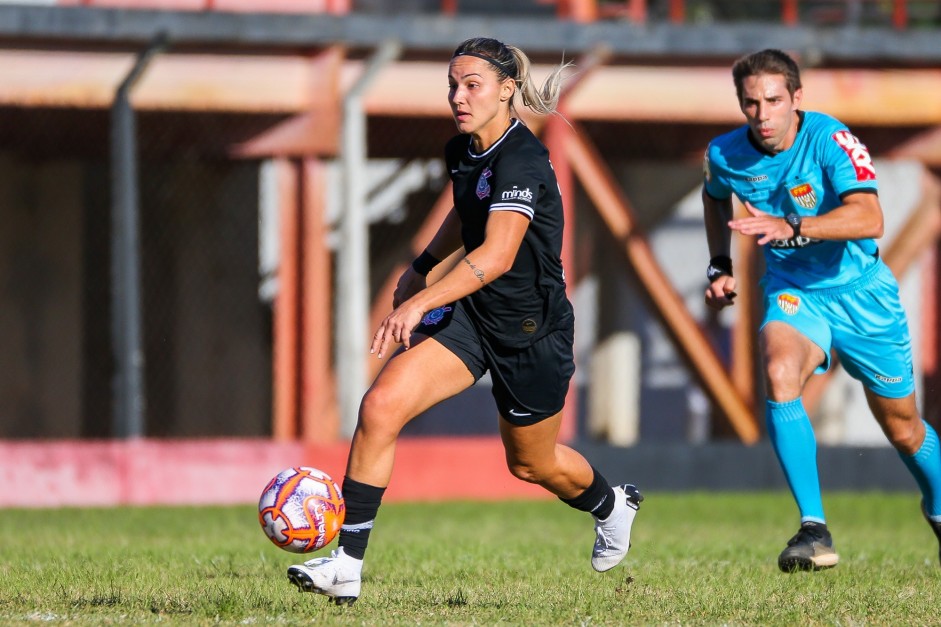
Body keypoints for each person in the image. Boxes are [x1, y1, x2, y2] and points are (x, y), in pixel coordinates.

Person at [286, 37, 643, 605]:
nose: (458, 95)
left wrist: (419, 302)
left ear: (507, 90)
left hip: (532, 332)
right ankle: (347, 564)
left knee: (531, 464)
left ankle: (610, 504)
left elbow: (498, 255)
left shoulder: (523, 158)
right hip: (473, 318)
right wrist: (422, 267)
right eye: (453, 84)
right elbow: (466, 206)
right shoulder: (464, 150)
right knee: (380, 407)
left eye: (472, 84)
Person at [702, 48, 941, 572]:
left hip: (863, 294)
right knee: (778, 369)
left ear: (797, 99)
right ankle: (814, 529)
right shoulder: (725, 153)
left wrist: (794, 227)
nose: (762, 115)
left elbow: (869, 216)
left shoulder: (831, 139)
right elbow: (715, 193)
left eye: (773, 101)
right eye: (750, 104)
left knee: (903, 429)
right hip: (795, 293)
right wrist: (720, 263)